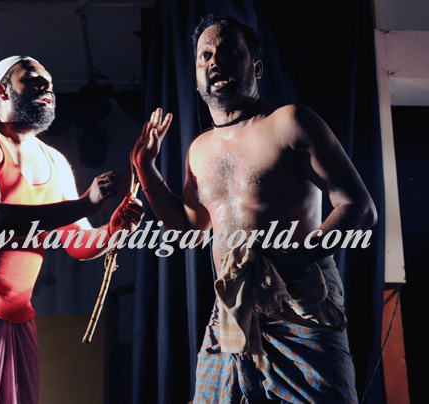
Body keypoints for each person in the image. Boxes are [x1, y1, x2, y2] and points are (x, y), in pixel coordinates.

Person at [131, 15, 377, 404]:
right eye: (205, 55)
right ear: (196, 77)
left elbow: (358, 206)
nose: (215, 61)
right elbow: (190, 229)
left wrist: (294, 260)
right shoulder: (199, 149)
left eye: (229, 51)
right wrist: (146, 168)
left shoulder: (289, 122)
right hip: (231, 307)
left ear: (256, 67)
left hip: (299, 303)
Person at [0, 55, 143, 404]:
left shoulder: (56, 162)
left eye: (49, 81)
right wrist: (86, 203)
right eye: (33, 79)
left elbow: (78, 242)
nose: (46, 85)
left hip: (15, 309)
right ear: (3, 91)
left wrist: (117, 226)